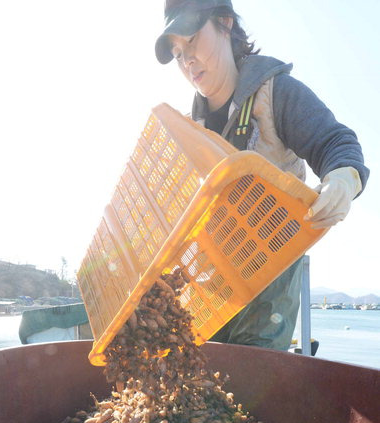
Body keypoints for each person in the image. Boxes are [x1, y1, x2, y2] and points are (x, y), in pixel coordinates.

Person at [155, 0, 369, 350]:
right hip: (214, 287)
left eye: (192, 40)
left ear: (225, 23)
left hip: (272, 276)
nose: (187, 59)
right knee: (199, 381)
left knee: (253, 383)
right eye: (177, 53)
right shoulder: (190, 129)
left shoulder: (275, 93)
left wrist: (343, 179)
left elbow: (335, 141)